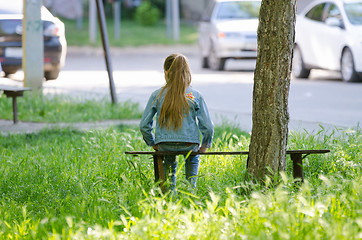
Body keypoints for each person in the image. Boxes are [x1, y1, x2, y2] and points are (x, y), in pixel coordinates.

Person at [139, 53, 214, 191]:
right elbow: (208, 126)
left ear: (166, 72)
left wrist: (153, 142)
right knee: (192, 158)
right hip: (189, 144)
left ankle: (169, 196)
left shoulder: (157, 95)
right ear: (187, 72)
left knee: (169, 161)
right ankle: (190, 192)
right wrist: (205, 145)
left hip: (165, 144)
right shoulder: (195, 95)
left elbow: (144, 125)